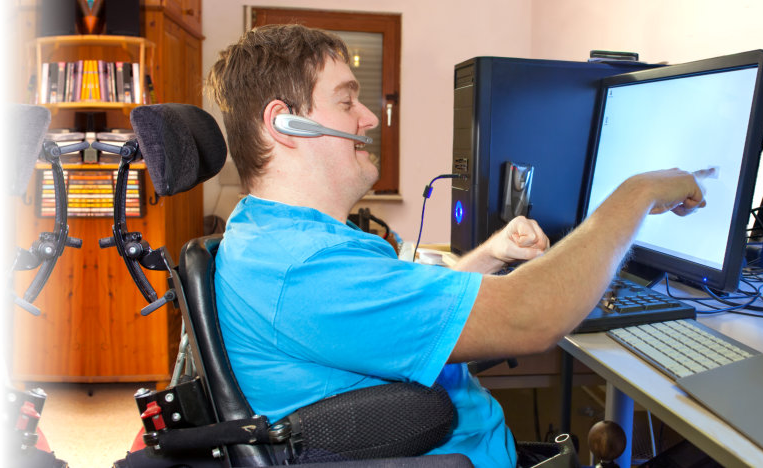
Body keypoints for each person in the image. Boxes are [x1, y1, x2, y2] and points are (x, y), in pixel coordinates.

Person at [207, 24, 709, 468]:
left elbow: (401, 316)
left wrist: (491, 254)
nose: (369, 118)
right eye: (346, 101)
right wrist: (636, 194)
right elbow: (533, 316)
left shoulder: (270, 235)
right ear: (284, 124)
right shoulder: (305, 268)